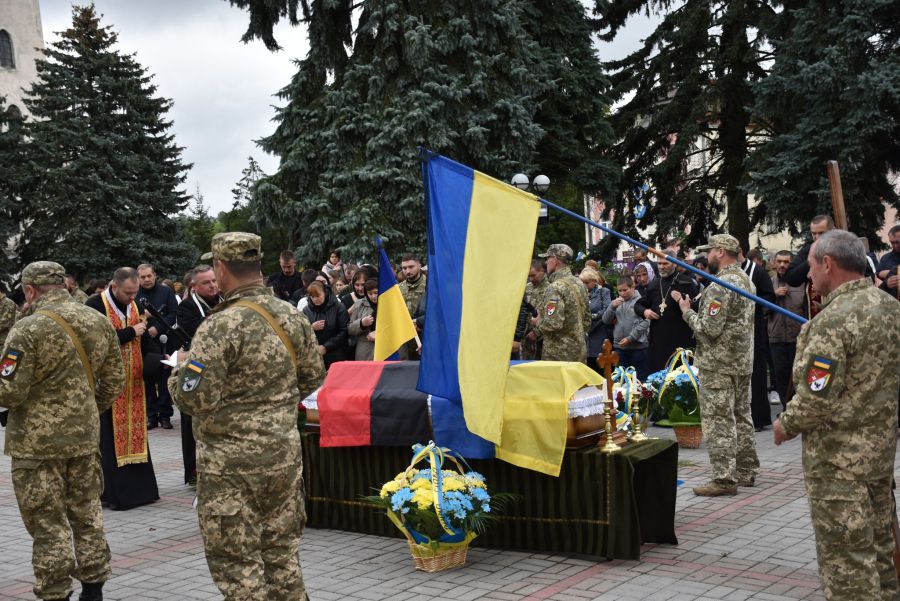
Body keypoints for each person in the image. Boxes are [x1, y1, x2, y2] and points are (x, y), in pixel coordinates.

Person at [170, 232, 326, 601]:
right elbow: (313, 378)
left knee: (239, 570)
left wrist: (179, 371)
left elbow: (194, 398)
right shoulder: (292, 315)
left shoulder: (219, 325)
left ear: (221, 268)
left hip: (230, 468)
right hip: (282, 459)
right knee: (283, 560)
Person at [774, 230, 900, 600]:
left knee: (847, 567)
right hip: (878, 459)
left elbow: (816, 397)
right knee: (880, 557)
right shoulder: (890, 307)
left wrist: (785, 424)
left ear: (828, 263)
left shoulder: (832, 322)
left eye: (811, 266)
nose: (808, 275)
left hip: (837, 468)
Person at [0, 262, 124, 601]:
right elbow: (115, 382)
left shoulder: (27, 329)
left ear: (29, 290)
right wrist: (84, 412)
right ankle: (94, 589)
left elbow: (8, 391)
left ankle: (56, 592)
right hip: (84, 440)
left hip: (36, 448)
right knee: (87, 515)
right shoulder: (98, 320)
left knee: (47, 524)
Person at [673, 234, 758, 497]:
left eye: (709, 251)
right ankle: (745, 470)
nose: (706, 257)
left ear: (720, 252)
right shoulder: (745, 280)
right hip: (741, 362)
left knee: (719, 420)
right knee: (742, 416)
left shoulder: (721, 285)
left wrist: (686, 309)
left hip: (719, 364)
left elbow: (708, 328)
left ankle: (723, 479)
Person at [85, 268, 160, 510]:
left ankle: (141, 491)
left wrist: (159, 358)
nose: (132, 298)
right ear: (114, 287)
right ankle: (113, 494)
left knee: (136, 435)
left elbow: (144, 340)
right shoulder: (95, 305)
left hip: (134, 383)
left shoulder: (135, 306)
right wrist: (130, 332)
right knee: (109, 439)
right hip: (108, 386)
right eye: (128, 293)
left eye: (135, 293)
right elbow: (94, 342)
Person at [175, 264, 223, 486]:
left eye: (214, 280)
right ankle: (194, 471)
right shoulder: (187, 307)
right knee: (192, 421)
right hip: (197, 371)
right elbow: (200, 334)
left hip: (222, 372)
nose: (212, 285)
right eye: (206, 282)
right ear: (194, 286)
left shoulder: (224, 299)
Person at [634, 253, 701, 374]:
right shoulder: (654, 284)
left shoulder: (686, 283)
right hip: (658, 342)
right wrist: (646, 312)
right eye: (659, 263)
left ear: (674, 264)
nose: (661, 267)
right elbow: (638, 305)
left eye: (665, 263)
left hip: (680, 341)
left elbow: (698, 308)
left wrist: (683, 302)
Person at [136, 263, 178, 430]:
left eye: (149, 276)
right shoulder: (135, 293)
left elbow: (174, 313)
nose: (147, 280)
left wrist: (158, 328)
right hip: (144, 342)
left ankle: (165, 415)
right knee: (148, 378)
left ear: (154, 275)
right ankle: (151, 415)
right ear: (138, 279)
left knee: (165, 378)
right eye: (143, 277)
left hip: (164, 340)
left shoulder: (165, 292)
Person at [531, 244, 589, 362]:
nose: (546, 262)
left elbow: (553, 323)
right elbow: (587, 321)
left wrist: (537, 323)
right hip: (579, 351)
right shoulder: (580, 284)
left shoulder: (555, 287)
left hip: (558, 355)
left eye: (548, 258)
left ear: (555, 260)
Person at [741, 249, 777, 430]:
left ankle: (758, 418)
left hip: (753, 330)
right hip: (734, 333)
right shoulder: (724, 272)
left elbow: (769, 296)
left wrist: (750, 302)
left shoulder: (757, 271)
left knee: (756, 372)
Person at [768, 251, 805, 410]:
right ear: (774, 263)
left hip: (797, 338)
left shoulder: (801, 284)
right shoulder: (769, 284)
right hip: (776, 338)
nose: (782, 265)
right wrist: (773, 296)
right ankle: (786, 409)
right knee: (781, 376)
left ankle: (800, 410)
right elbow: (761, 310)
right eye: (779, 261)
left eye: (786, 262)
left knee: (798, 376)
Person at [602, 275, 649, 378]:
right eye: (619, 291)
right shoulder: (617, 301)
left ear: (633, 287)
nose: (622, 293)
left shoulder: (641, 301)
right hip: (619, 347)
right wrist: (612, 306)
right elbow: (605, 320)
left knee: (639, 380)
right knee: (622, 380)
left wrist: (631, 338)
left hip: (637, 347)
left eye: (625, 290)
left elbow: (646, 322)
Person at [302, 280, 349, 369]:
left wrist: (326, 347)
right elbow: (301, 333)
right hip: (316, 355)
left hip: (337, 353)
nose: (315, 299)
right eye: (312, 297)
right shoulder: (306, 310)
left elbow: (344, 331)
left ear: (325, 293)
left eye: (318, 295)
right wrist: (311, 328)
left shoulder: (338, 307)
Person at [580, 268, 611, 370]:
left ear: (594, 281)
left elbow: (608, 309)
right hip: (584, 336)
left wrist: (594, 316)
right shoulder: (580, 293)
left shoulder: (604, 292)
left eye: (587, 282)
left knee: (599, 365)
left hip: (598, 333)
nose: (584, 285)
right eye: (582, 282)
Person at [398, 254, 426, 357]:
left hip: (424, 335)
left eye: (411, 267)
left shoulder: (430, 285)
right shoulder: (398, 288)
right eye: (404, 268)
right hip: (404, 338)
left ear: (419, 266)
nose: (407, 271)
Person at [522, 260, 549, 360]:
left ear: (542, 271)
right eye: (529, 276)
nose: (531, 279)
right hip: (526, 336)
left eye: (533, 275)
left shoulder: (551, 288)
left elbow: (551, 317)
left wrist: (536, 332)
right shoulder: (527, 288)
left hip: (542, 338)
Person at [347, 279, 378, 360]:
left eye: (376, 293)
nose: (373, 296)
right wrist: (361, 323)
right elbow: (350, 328)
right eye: (370, 293)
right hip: (365, 348)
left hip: (385, 346)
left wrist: (380, 333)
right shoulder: (359, 304)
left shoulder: (389, 303)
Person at [876, 224, 899, 297]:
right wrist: (887, 284)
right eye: (892, 243)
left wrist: (890, 272)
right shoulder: (885, 259)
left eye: (898, 242)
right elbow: (878, 287)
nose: (895, 245)